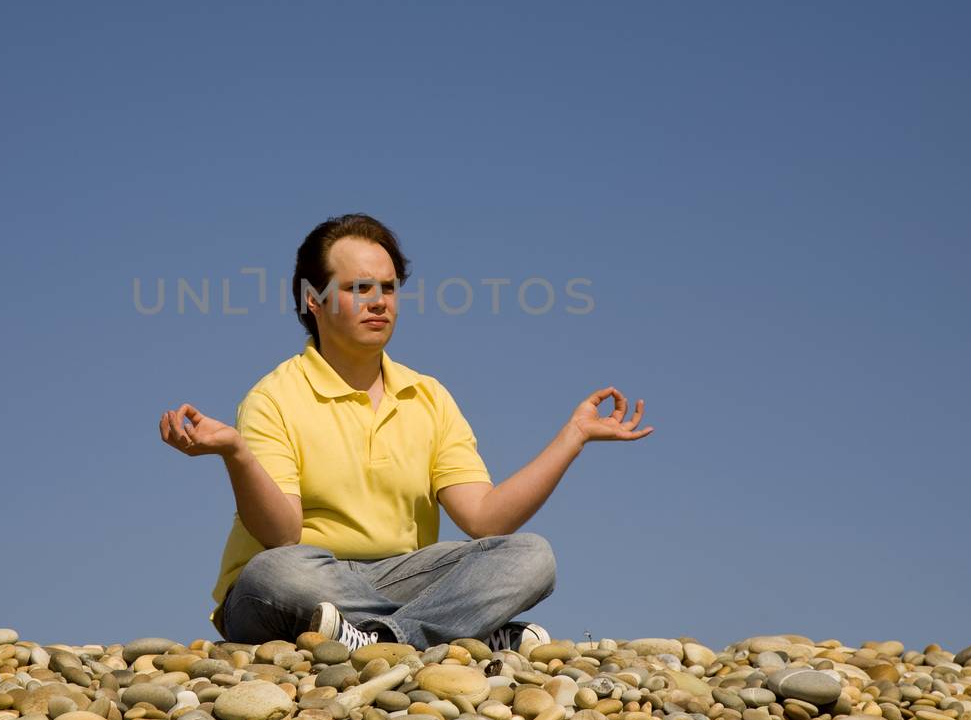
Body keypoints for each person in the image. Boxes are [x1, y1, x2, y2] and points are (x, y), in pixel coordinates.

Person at [158, 213, 654, 651]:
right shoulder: (273, 397)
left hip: (403, 575)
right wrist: (236, 454)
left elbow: (484, 520)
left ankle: (383, 639)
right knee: (277, 573)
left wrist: (573, 436)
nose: (379, 302)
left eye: (389, 288)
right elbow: (283, 536)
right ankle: (461, 629)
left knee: (532, 556)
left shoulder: (429, 396)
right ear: (313, 300)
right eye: (358, 289)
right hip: (298, 582)